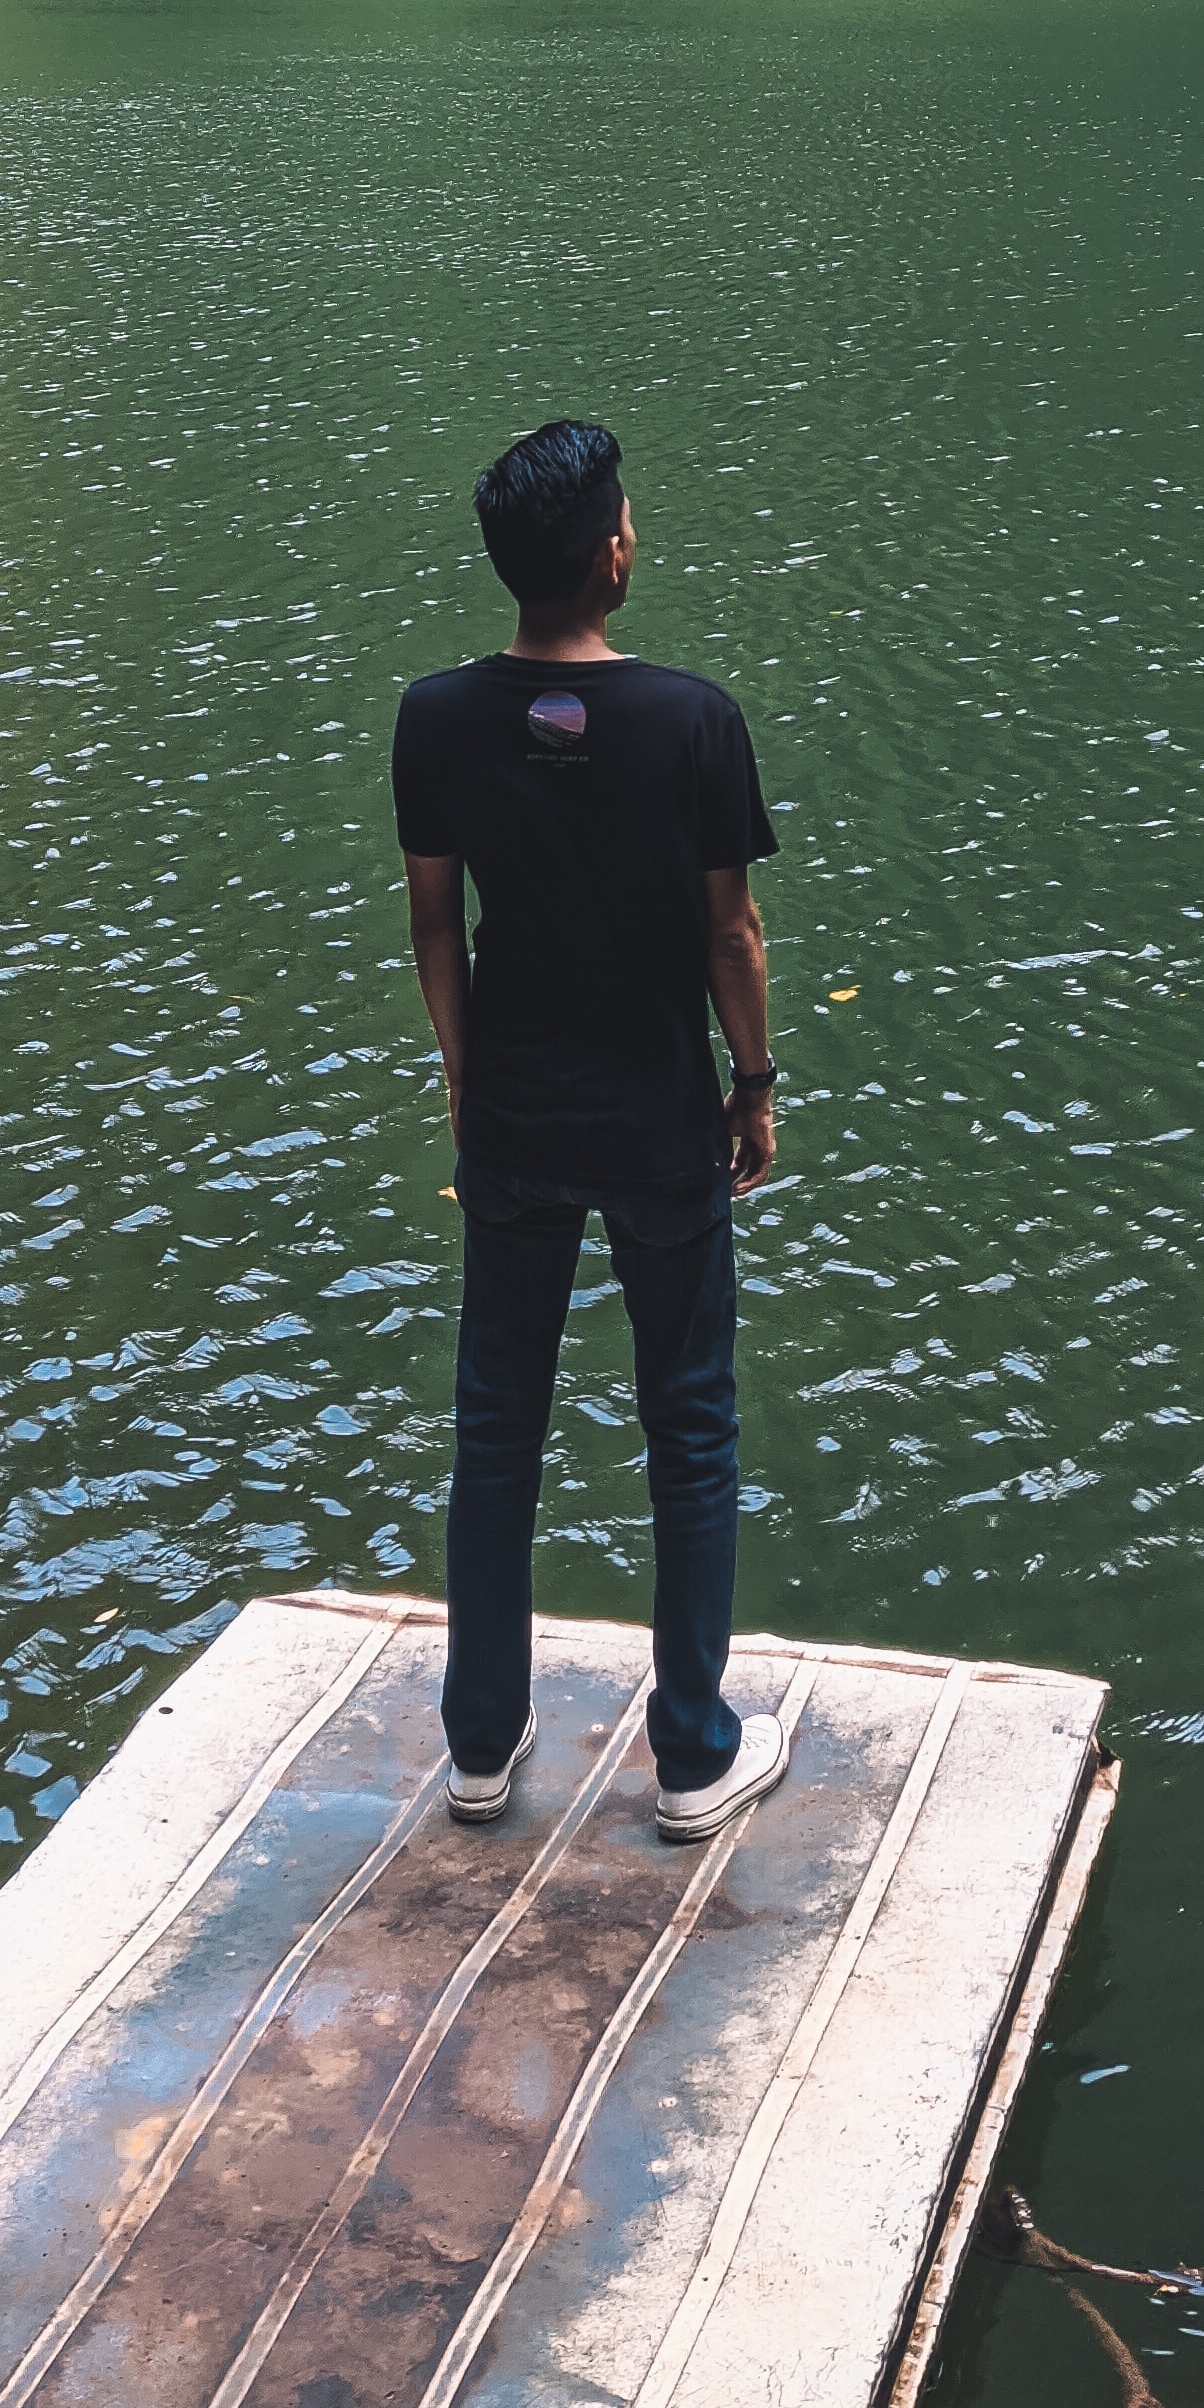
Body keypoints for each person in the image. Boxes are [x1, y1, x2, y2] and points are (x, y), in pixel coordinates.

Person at [392, 418, 787, 1843]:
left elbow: (438, 922)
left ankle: (482, 1753)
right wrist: (754, 1083)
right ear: (613, 551)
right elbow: (729, 932)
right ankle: (690, 1760)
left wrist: (462, 1076)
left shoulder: (435, 718)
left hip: (512, 1110)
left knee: (496, 1427)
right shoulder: (693, 720)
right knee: (686, 1423)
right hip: (658, 1115)